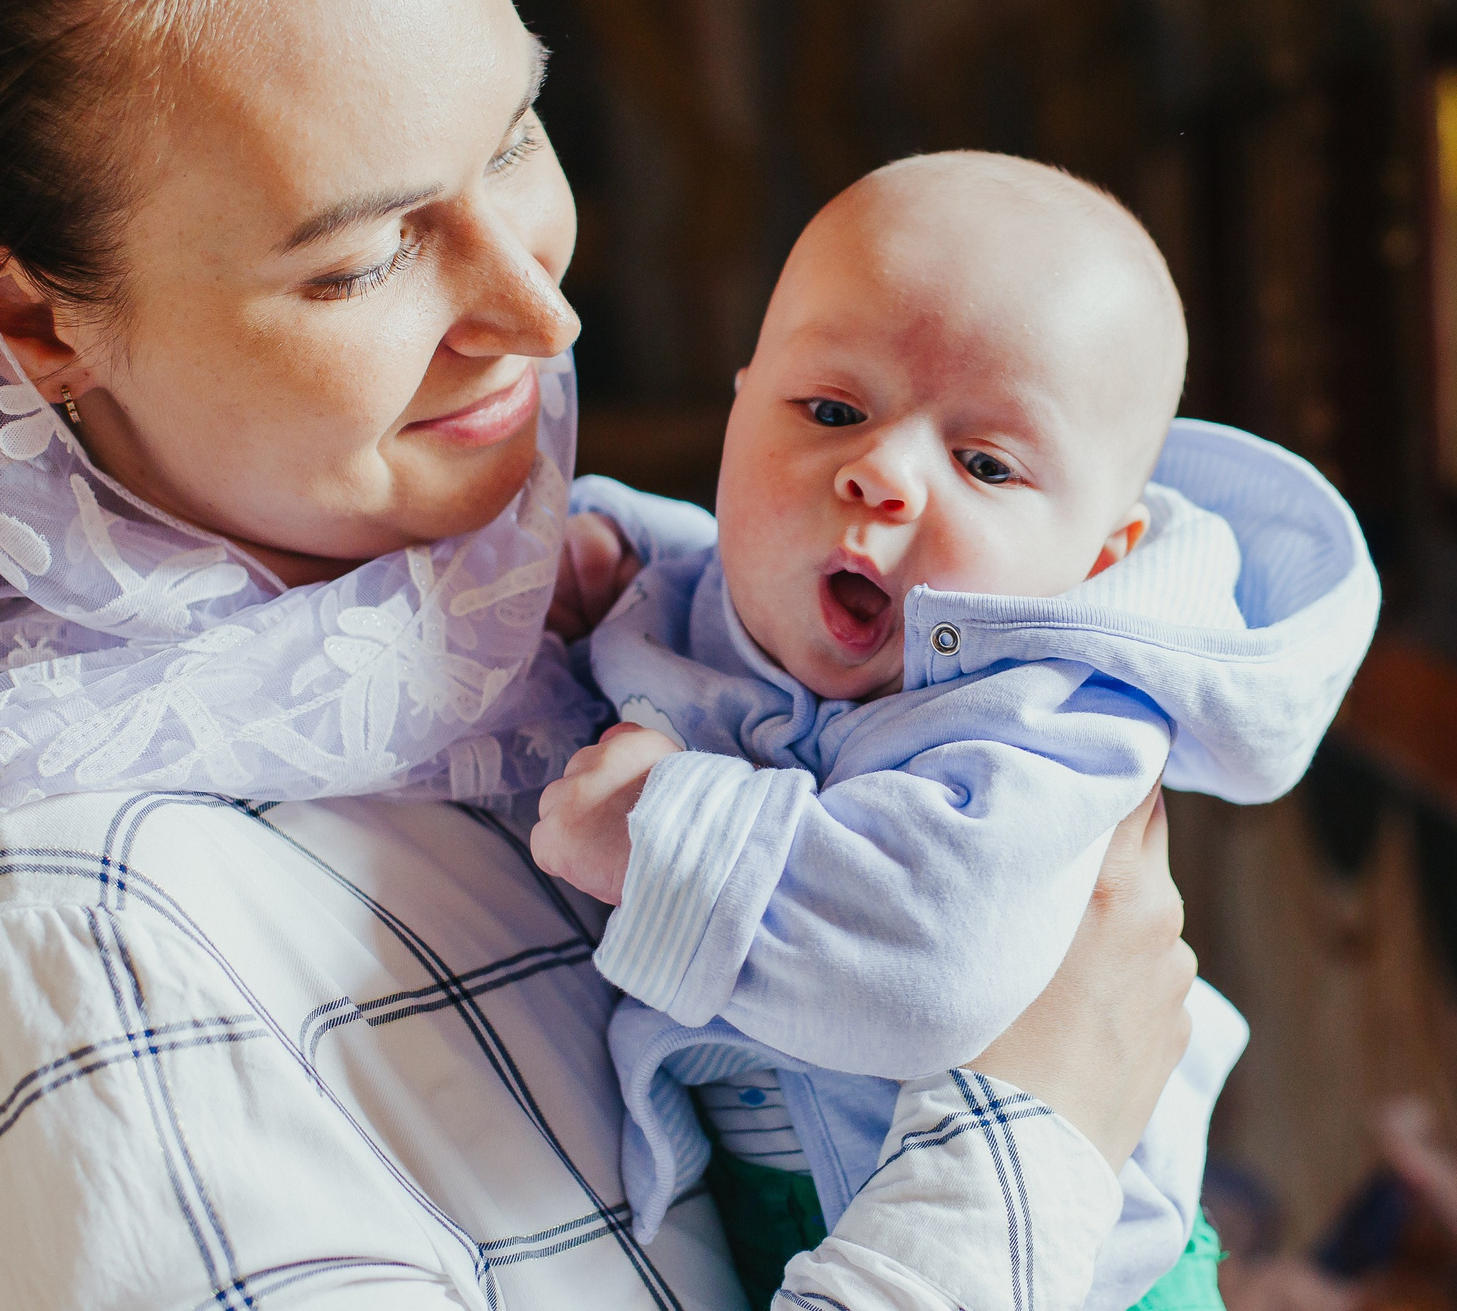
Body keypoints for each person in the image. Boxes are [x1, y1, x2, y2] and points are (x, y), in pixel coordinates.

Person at [0, 0, 1194, 1311]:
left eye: (522, 131)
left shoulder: (583, 630)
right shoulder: (78, 936)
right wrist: (1038, 1130)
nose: (544, 316)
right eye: (364, 255)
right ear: (28, 323)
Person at [528, 152, 1379, 1311]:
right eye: (830, 410)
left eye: (984, 463)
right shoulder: (712, 601)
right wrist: (607, 552)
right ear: (737, 408)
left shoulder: (1058, 713)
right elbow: (700, 554)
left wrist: (665, 833)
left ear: (1099, 557)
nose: (878, 470)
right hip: (799, 1218)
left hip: (1070, 1270)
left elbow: (931, 967)